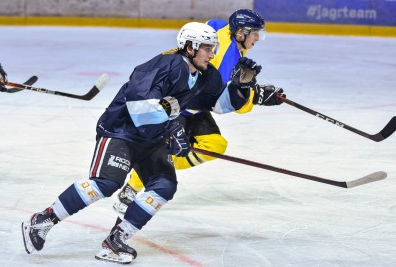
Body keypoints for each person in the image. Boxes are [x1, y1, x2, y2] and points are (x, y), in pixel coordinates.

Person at [21, 22, 263, 264]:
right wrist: (172, 129)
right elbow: (139, 108)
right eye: (208, 48)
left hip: (152, 138)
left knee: (164, 186)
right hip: (121, 131)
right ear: (190, 48)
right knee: (106, 183)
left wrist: (241, 86)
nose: (212, 54)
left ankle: (115, 241)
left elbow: (220, 104)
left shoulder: (205, 73)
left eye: (214, 48)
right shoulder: (163, 66)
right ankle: (43, 220)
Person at [113, 9, 285, 214]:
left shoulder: (221, 27)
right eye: (254, 33)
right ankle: (134, 185)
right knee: (168, 149)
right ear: (240, 33)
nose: (257, 38)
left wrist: (253, 89)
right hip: (179, 106)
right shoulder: (224, 60)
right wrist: (254, 97)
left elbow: (211, 27)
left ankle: (157, 164)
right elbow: (219, 101)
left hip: (193, 105)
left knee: (215, 145)